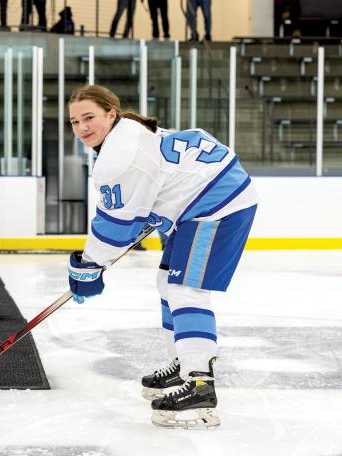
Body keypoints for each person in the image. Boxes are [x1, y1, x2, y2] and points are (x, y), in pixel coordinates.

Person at [67, 85, 257, 429]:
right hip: (200, 201)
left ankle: (200, 383)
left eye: (89, 117)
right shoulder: (127, 135)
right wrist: (95, 261)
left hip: (218, 203)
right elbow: (141, 209)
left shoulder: (121, 154)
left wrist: (88, 265)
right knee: (166, 282)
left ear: (112, 114)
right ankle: (182, 364)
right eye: (75, 121)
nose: (82, 127)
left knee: (186, 289)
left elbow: (115, 227)